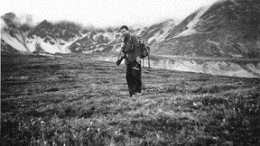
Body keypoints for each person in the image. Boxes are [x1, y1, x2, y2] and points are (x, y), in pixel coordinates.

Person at [117, 25, 142, 97]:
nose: (123, 33)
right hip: (128, 61)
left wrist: (138, 57)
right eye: (122, 32)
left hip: (135, 60)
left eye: (124, 31)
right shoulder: (124, 40)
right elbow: (125, 51)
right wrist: (122, 47)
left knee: (136, 76)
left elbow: (137, 48)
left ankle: (137, 92)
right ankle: (131, 93)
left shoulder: (133, 37)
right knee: (128, 77)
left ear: (128, 30)